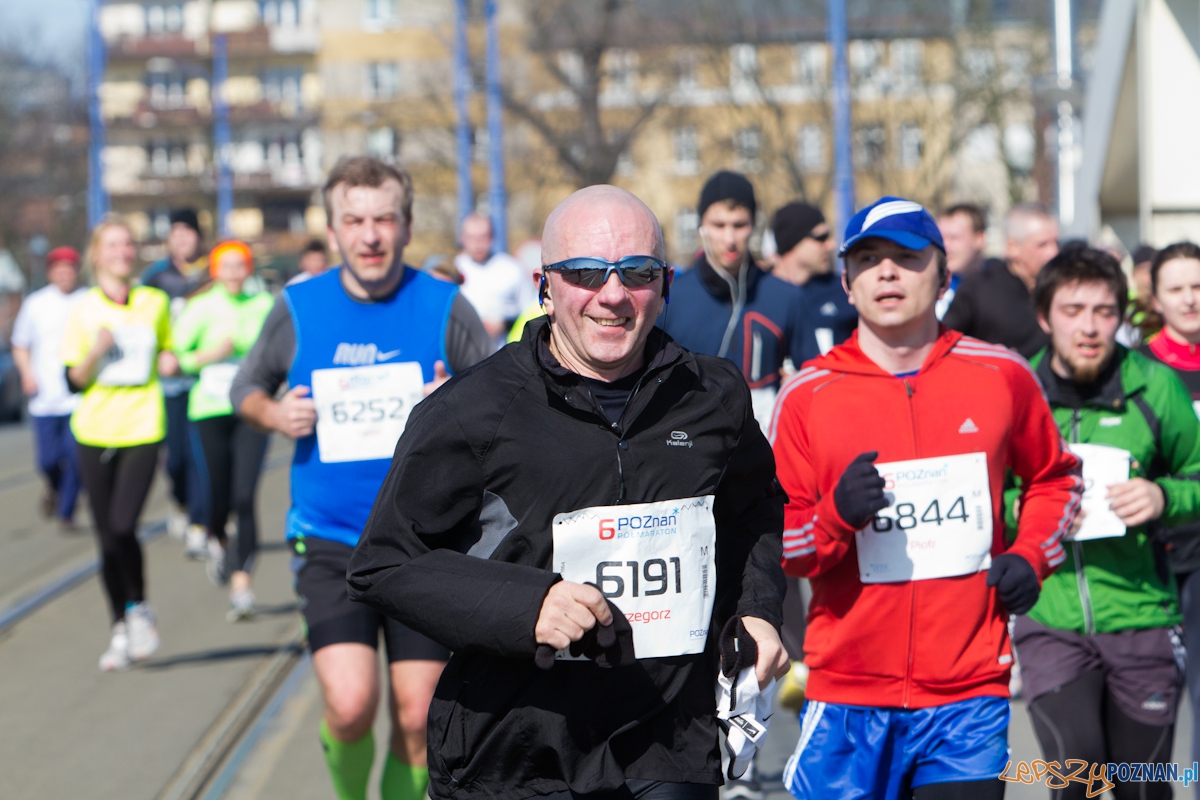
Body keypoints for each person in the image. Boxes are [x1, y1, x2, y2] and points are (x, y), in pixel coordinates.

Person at [347, 184, 789, 800]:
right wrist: (528, 606)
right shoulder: (473, 410)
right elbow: (384, 563)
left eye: (635, 273)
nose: (612, 295)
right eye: (585, 272)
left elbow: (754, 511)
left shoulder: (713, 395)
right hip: (520, 752)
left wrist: (758, 611)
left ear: (663, 285)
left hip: (669, 744)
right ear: (545, 286)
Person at [770, 196, 1082, 800]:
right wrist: (834, 517)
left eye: (907, 258)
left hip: (968, 695)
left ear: (943, 274)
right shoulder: (808, 396)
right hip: (847, 698)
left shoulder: (1002, 375)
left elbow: (1056, 478)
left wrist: (1029, 555)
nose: (887, 272)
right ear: (846, 281)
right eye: (868, 258)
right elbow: (776, 540)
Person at [231, 156, 492, 800]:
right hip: (330, 538)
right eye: (354, 220)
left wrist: (454, 400)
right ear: (334, 227)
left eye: (384, 219)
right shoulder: (298, 305)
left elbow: (501, 405)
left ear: (406, 226)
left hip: (426, 544)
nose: (370, 235)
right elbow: (246, 388)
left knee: (416, 714)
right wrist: (275, 411)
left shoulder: (444, 304)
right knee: (350, 706)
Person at [1009, 244, 1200, 800]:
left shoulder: (1154, 385)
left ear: (1123, 315)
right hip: (1051, 619)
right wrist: (1025, 510)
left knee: (1143, 789)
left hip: (1142, 616)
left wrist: (1162, 497)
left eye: (1104, 311)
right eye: (1072, 311)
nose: (1089, 327)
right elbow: (990, 494)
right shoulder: (1018, 392)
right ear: (1045, 317)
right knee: (1079, 782)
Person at [62, 219, 177, 671]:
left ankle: (140, 608)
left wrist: (169, 360)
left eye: (128, 244)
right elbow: (74, 377)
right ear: (96, 254)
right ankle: (119, 628)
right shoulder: (83, 310)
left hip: (143, 425)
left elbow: (167, 348)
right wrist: (96, 350)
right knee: (105, 537)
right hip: (94, 428)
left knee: (124, 523)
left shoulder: (154, 302)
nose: (123, 251)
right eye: (113, 244)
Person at [661, 171, 818, 428]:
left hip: (767, 450)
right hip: (689, 449)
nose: (730, 239)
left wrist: (797, 387)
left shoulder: (786, 296)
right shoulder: (671, 298)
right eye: (719, 225)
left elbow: (813, 379)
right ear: (701, 226)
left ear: (754, 225)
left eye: (739, 225)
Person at [173, 240, 274, 620]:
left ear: (248, 269)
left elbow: (282, 351)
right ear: (214, 270)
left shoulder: (264, 306)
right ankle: (218, 538)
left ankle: (241, 584)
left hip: (251, 410)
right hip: (209, 409)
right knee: (217, 497)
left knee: (245, 497)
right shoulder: (201, 308)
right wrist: (210, 355)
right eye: (226, 266)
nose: (233, 272)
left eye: (240, 265)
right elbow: (175, 360)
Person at [1138, 241, 1200, 773]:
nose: (1190, 300)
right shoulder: (1138, 369)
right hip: (1154, 558)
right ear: (1155, 297)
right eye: (1176, 289)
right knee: (1153, 709)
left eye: (1198, 286)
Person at [141, 207, 209, 555]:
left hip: (204, 379)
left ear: (199, 236)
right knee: (177, 458)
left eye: (189, 232)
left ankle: (200, 521)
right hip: (168, 382)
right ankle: (180, 501)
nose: (182, 239)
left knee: (200, 456)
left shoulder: (212, 273)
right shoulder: (155, 277)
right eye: (176, 233)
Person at [11, 245, 86, 528]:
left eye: (69, 269)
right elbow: (20, 344)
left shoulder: (88, 299)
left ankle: (67, 511)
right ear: (51, 273)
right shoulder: (36, 303)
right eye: (59, 270)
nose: (64, 275)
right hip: (45, 395)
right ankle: (56, 488)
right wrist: (27, 373)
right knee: (48, 460)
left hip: (78, 396)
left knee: (76, 457)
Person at [942, 202, 1060, 358]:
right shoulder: (978, 289)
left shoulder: (1062, 288)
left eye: (1056, 242)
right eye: (1042, 245)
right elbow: (944, 344)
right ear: (1013, 247)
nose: (1054, 252)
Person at [769, 201, 857, 356]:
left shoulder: (843, 290)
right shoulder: (760, 294)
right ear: (793, 243)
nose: (830, 245)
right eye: (821, 238)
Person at [454, 211, 534, 342]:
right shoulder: (454, 269)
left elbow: (530, 312)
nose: (477, 244)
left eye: (483, 237)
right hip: (464, 354)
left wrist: (505, 325)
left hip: (503, 350)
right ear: (462, 238)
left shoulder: (512, 269)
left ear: (492, 237)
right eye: (471, 238)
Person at [935, 203, 996, 320]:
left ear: (979, 239)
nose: (945, 245)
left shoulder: (1000, 288)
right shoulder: (933, 292)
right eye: (941, 238)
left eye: (954, 237)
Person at [1128, 244, 1162, 341]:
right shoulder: (1124, 305)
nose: (1150, 278)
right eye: (1145, 271)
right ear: (1134, 273)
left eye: (1153, 272)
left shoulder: (1165, 303)